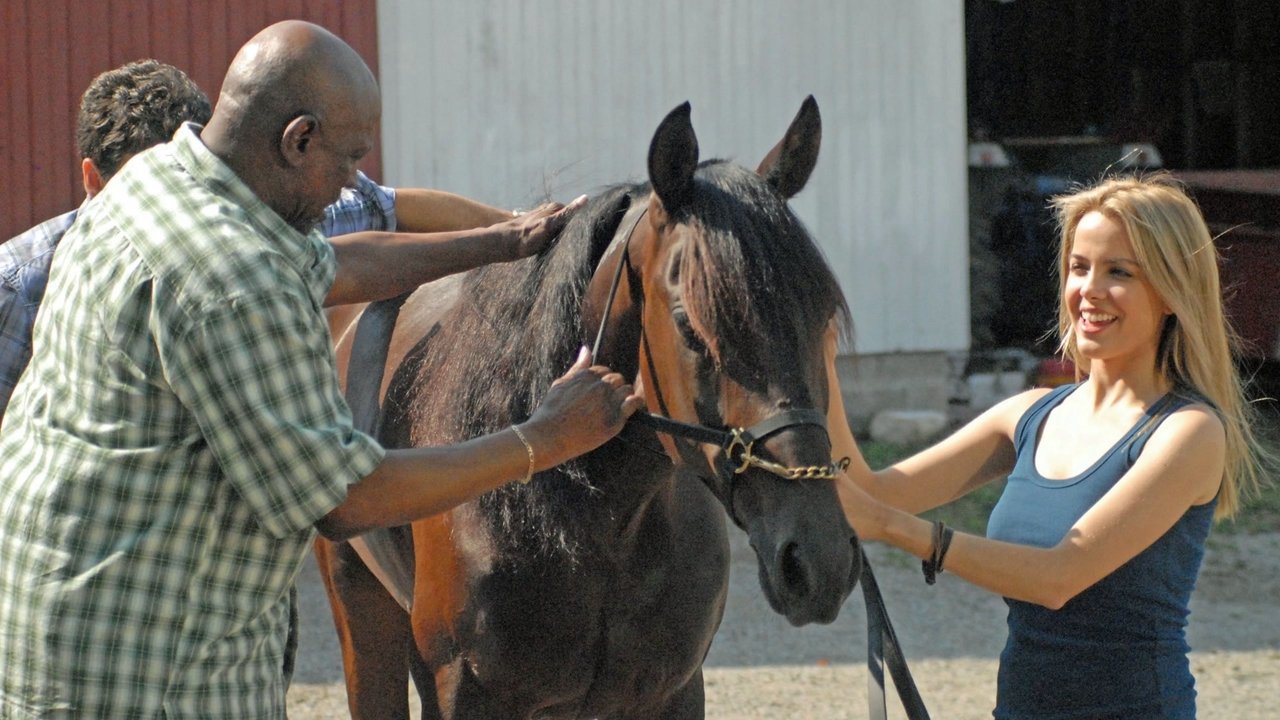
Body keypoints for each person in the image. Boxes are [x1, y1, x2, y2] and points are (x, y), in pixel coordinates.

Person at [0, 20, 642, 719]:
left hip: (60, 616)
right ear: (297, 139)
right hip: (144, 673)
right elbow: (345, 497)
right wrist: (542, 440)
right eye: (349, 159)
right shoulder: (229, 279)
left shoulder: (163, 178)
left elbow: (334, 264)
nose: (354, 182)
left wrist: (502, 241)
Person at [831, 173, 1271, 718]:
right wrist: (819, 360)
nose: (1088, 289)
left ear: (1171, 293)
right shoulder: (1030, 413)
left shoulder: (1188, 432)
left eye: (1119, 272)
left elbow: (1057, 577)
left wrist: (895, 529)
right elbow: (869, 491)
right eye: (1079, 266)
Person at [0, 59, 538, 425]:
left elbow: (393, 209)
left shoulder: (252, 221)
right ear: (92, 179)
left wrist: (519, 231)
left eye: (183, 180)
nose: (177, 216)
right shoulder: (18, 287)